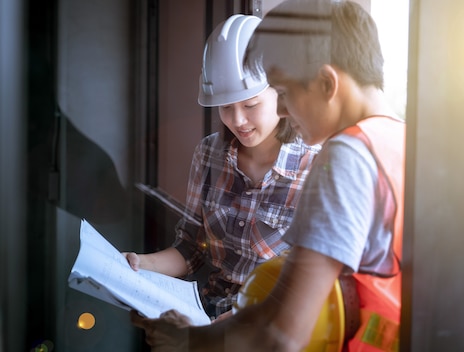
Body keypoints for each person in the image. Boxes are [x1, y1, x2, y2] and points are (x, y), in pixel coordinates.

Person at [131, 1, 406, 351]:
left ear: (326, 82)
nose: (282, 111)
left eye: (285, 93)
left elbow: (283, 334)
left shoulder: (344, 158)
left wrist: (189, 342)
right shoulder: (404, 141)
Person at [123, 14, 320, 321]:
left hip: (266, 324)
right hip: (206, 312)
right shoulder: (209, 154)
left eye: (250, 105)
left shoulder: (315, 166)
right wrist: (138, 264)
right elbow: (191, 247)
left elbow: (308, 287)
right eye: (226, 107)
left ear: (280, 93)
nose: (237, 120)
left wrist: (212, 335)